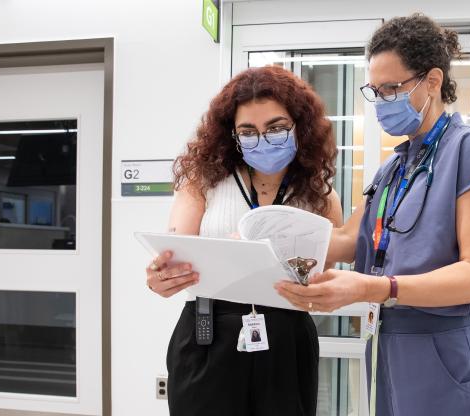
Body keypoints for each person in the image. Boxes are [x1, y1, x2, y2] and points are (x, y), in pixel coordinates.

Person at [275, 13, 470, 416]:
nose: (382, 101)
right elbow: (344, 241)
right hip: (390, 343)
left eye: (392, 88)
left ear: (433, 81)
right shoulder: (395, 169)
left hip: (446, 346)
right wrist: (263, 240)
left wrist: (374, 288)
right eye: (375, 90)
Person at [144, 65, 342, 416]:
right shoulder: (203, 181)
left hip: (287, 336)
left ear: (301, 126)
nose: (262, 139)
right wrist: (161, 277)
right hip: (209, 333)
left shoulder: (319, 195)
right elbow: (176, 249)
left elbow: (326, 272)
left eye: (276, 128)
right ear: (230, 134)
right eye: (247, 131)